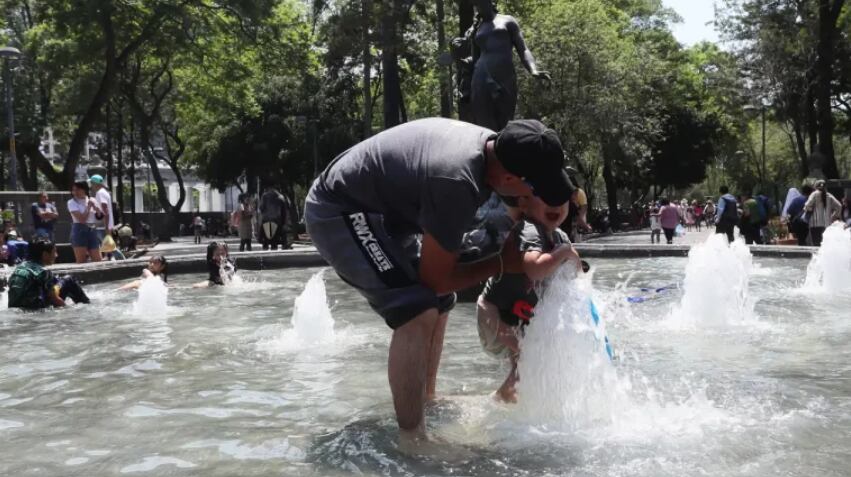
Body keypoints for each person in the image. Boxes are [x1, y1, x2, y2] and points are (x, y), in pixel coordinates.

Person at [304, 117, 573, 438]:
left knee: (441, 302)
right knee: (417, 307)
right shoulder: (455, 180)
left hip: (388, 215)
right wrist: (501, 264)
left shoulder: (497, 150)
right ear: (510, 176)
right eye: (532, 191)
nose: (532, 200)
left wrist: (528, 214)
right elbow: (436, 279)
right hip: (339, 211)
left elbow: (443, 285)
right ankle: (412, 438)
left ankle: (425, 399)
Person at [476, 195, 582, 403]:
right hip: (495, 316)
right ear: (524, 203)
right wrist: (563, 252)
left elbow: (576, 272)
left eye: (561, 200)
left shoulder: (559, 236)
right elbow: (535, 269)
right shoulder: (528, 229)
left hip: (516, 317)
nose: (554, 204)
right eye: (546, 197)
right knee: (532, 355)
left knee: (527, 363)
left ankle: (508, 398)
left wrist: (571, 257)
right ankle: (500, 398)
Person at [469, 0, 550, 130]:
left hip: (504, 76)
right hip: (481, 77)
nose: (479, 7)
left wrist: (533, 69)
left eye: (481, 3)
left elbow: (523, 48)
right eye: (476, 4)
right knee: (484, 122)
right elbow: (474, 58)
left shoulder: (507, 21)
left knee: (505, 120)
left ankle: (504, 147)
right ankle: (487, 149)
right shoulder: (477, 28)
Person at [8, 237, 90, 309]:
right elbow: (56, 301)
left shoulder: (20, 267)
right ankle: (87, 305)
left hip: (16, 306)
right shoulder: (43, 272)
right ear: (45, 254)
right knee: (69, 280)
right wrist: (69, 312)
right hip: (36, 309)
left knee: (56, 281)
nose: (56, 255)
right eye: (54, 252)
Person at [67, 181, 102, 264]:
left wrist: (97, 209)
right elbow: (82, 219)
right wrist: (89, 207)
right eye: (73, 190)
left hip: (92, 229)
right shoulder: (71, 202)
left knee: (98, 260)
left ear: (84, 189)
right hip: (79, 229)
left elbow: (99, 217)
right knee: (81, 261)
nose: (75, 192)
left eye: (78, 189)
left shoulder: (91, 199)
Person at [804, 180, 842, 246]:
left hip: (815, 224)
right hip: (827, 224)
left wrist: (809, 209)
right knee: (825, 245)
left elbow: (807, 206)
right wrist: (833, 217)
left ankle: (817, 256)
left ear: (816, 187)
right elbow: (839, 206)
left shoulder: (814, 194)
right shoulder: (829, 196)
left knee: (816, 245)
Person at [89, 175, 114, 247]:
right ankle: (109, 257)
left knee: (108, 247)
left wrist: (106, 226)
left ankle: (115, 257)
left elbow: (105, 209)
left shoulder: (100, 193)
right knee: (107, 246)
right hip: (105, 224)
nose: (91, 185)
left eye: (91, 183)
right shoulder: (104, 192)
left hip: (102, 225)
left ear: (95, 183)